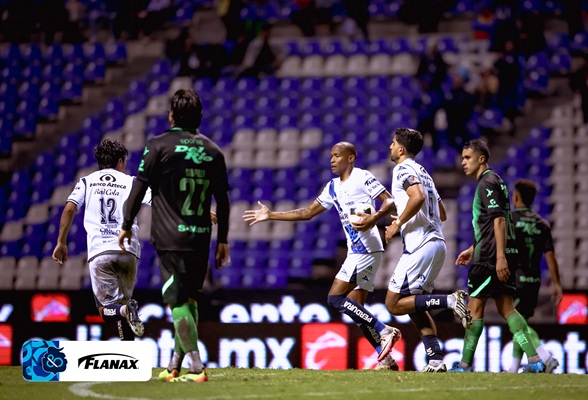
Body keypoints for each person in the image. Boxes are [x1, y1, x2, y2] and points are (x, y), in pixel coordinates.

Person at [243, 142, 402, 369]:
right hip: (361, 249)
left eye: (337, 155)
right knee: (357, 308)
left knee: (334, 299)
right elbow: (307, 213)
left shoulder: (362, 177)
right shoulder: (332, 187)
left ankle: (384, 330)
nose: (332, 160)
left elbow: (389, 201)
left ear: (351, 157)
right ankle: (385, 358)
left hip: (365, 248)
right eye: (331, 156)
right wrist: (271, 215)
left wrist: (373, 218)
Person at [118, 89, 231, 383]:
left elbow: (139, 187)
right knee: (190, 300)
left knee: (177, 302)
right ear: (200, 116)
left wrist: (127, 223)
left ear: (171, 114)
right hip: (201, 237)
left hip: (170, 239)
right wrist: (223, 240)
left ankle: (196, 367)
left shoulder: (157, 146)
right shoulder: (213, 150)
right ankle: (175, 366)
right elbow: (225, 201)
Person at [449, 139, 545, 373]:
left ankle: (464, 365)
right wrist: (473, 249)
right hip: (496, 253)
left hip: (491, 257)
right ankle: (535, 360)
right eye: (462, 158)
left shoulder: (486, 183)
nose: (463, 162)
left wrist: (498, 257)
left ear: (481, 159)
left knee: (474, 310)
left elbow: (499, 220)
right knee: (507, 309)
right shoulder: (497, 181)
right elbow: (493, 222)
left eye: (467, 158)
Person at [383, 128, 471, 373]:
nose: (389, 147)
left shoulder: (403, 169)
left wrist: (399, 222)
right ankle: (435, 360)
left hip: (420, 245)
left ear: (401, 149)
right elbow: (441, 213)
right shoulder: (424, 173)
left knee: (393, 304)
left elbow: (418, 197)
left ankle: (451, 300)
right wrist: (409, 213)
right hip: (436, 243)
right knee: (415, 307)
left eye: (392, 143)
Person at [52, 139, 150, 341]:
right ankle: (129, 356)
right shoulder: (132, 182)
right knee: (122, 303)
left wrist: (61, 242)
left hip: (100, 252)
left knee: (107, 310)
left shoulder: (87, 182)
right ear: (121, 161)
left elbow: (69, 208)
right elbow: (159, 200)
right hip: (128, 250)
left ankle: (125, 311)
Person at [508, 179, 562, 373]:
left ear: (516, 197)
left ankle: (546, 357)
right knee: (521, 325)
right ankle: (514, 369)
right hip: (534, 281)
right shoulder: (543, 224)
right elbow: (551, 256)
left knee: (517, 324)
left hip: (516, 280)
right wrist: (557, 284)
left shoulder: (511, 219)